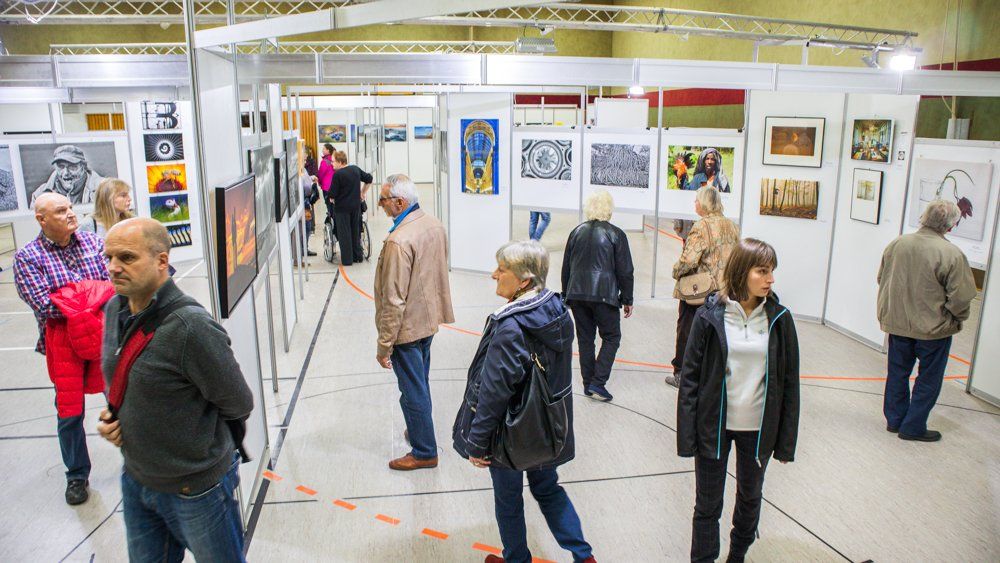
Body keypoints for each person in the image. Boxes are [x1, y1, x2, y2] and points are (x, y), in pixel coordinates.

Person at [97, 218, 254, 561]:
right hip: (137, 479)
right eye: (109, 257)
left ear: (162, 261)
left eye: (126, 257)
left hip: (196, 491)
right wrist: (113, 418)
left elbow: (238, 401)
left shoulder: (190, 326)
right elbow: (123, 381)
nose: (113, 267)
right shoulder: (114, 309)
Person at [454, 240, 596, 563]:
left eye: (502, 269)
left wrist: (477, 442)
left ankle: (516, 559)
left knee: (508, 499)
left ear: (524, 281)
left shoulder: (510, 327)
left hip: (512, 433)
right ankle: (584, 556)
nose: (494, 274)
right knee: (548, 488)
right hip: (548, 427)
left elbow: (494, 392)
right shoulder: (557, 312)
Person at [677, 238, 799, 563]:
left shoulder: (780, 319)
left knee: (750, 498)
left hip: (757, 430)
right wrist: (687, 435)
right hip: (713, 426)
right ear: (742, 272)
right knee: (707, 504)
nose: (771, 279)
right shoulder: (709, 316)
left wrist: (785, 443)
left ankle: (738, 556)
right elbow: (690, 379)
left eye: (771, 271)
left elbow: (789, 385)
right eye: (763, 271)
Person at [13, 193, 111, 505]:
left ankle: (139, 462)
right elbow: (44, 305)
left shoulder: (93, 243)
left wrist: (72, 298)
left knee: (121, 400)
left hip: (104, 340)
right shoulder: (28, 258)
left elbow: (111, 288)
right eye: (60, 210)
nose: (70, 213)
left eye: (70, 207)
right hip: (63, 349)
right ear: (41, 220)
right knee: (70, 414)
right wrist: (91, 297)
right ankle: (77, 475)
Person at [877, 199, 976, 442]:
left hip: (898, 324)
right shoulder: (952, 254)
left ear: (924, 217)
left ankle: (895, 420)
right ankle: (913, 426)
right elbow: (961, 297)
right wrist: (955, 317)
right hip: (934, 330)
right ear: (951, 226)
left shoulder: (898, 244)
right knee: (929, 379)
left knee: (897, 373)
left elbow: (882, 278)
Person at [374, 174, 455, 470]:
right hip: (428, 320)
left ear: (399, 202)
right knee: (420, 382)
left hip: (407, 328)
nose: (380, 205)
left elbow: (394, 298)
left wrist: (384, 345)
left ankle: (424, 451)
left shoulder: (399, 241)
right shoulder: (433, 224)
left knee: (412, 390)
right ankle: (419, 429)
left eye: (383, 199)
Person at [561, 190, 634, 402]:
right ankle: (598, 382)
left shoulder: (576, 232)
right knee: (611, 337)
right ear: (609, 209)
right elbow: (625, 271)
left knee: (585, 339)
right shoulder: (616, 234)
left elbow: (566, 267)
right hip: (605, 295)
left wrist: (566, 294)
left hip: (577, 294)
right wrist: (627, 299)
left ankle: (588, 383)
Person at [667, 186, 740, 387]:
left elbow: (689, 260)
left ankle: (682, 374)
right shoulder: (732, 226)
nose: (695, 204)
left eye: (697, 200)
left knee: (688, 332)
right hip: (725, 291)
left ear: (704, 203)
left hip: (700, 292)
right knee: (715, 334)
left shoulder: (701, 227)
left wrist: (675, 271)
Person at [327, 150, 373, 265]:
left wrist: (331, 198)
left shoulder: (338, 175)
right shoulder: (355, 169)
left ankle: (347, 260)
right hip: (355, 207)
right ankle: (357, 257)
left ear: (340, 162)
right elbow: (369, 179)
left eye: (333, 162)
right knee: (355, 231)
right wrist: (362, 192)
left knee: (344, 234)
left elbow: (332, 194)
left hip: (342, 209)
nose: (332, 164)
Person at [30, 145, 106, 205]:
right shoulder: (40, 195)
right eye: (61, 167)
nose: (66, 173)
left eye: (72, 166)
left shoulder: (104, 189)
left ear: (83, 167)